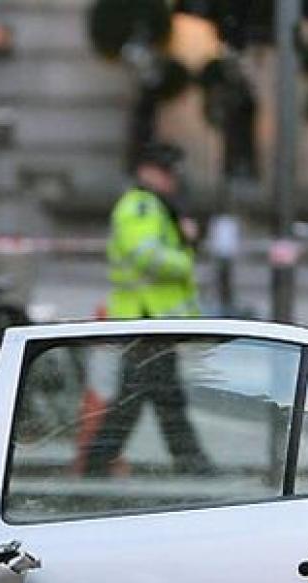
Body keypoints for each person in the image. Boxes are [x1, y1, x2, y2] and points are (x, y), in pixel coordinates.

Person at [88, 142, 210, 477]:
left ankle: (98, 466)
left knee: (149, 398)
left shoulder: (153, 206)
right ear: (147, 172)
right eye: (167, 172)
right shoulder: (140, 206)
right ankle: (194, 467)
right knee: (155, 399)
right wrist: (185, 258)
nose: (173, 180)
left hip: (152, 321)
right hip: (144, 318)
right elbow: (146, 256)